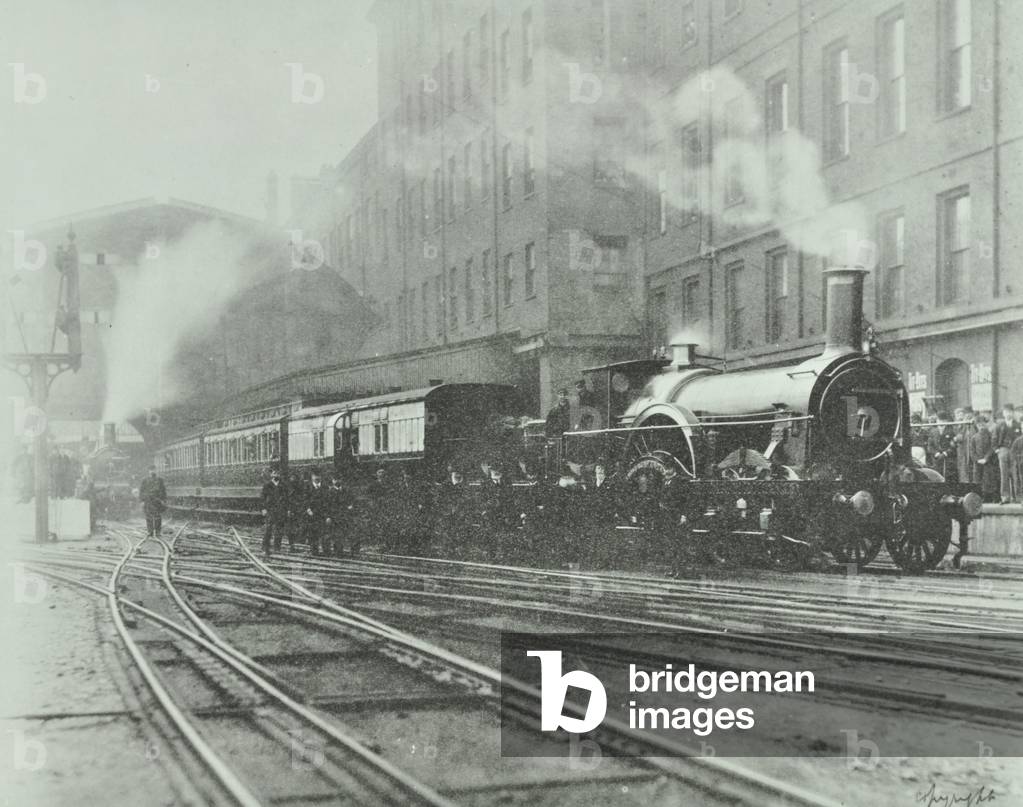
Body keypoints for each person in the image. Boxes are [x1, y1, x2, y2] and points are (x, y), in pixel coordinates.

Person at [993, 404, 1021, 503]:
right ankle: (1005, 497)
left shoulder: (1018, 425)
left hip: (1015, 452)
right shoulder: (999, 425)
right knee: (1003, 474)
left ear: (1013, 413)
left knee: (1016, 474)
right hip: (1003, 450)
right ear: (1003, 413)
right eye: (1006, 412)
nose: (1008, 414)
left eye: (1010, 412)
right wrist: (997, 450)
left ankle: (1018, 497)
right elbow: (994, 438)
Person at [261, 467, 288, 558]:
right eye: (274, 473)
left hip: (281, 510)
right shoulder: (267, 485)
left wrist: (287, 509)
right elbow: (262, 498)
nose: (276, 475)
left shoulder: (283, 485)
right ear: (271, 474)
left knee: (279, 529)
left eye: (278, 473)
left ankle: (277, 547)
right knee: (268, 529)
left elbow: (287, 498)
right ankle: (265, 547)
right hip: (270, 510)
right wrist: (263, 509)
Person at [971, 415, 999, 503]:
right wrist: (977, 459)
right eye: (979, 425)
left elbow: (992, 448)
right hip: (978, 462)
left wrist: (986, 458)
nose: (981, 427)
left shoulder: (990, 435)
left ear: (986, 424)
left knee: (990, 479)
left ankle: (992, 497)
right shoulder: (974, 437)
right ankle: (981, 497)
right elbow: (972, 451)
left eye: (983, 425)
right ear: (976, 426)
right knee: (977, 479)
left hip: (989, 461)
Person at [327, 472, 356, 556]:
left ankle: (346, 551)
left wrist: (351, 506)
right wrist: (328, 516)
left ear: (341, 480)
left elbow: (351, 500)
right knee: (336, 534)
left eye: (338, 479)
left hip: (345, 515)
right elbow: (327, 505)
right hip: (334, 516)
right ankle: (338, 552)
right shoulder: (329, 491)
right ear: (332, 481)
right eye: (335, 479)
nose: (336, 481)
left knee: (344, 533)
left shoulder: (346, 490)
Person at [302, 470, 329, 555]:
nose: (317, 478)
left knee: (324, 532)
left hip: (323, 513)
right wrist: (308, 509)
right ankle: (314, 551)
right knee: (313, 533)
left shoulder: (325, 487)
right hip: (311, 513)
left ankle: (326, 551)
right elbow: (304, 500)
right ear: (311, 477)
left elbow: (328, 501)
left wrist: (327, 514)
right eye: (315, 476)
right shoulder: (307, 487)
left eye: (318, 476)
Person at [927, 412, 957, 481]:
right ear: (937, 420)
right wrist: (937, 454)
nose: (941, 422)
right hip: (936, 459)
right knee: (937, 477)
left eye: (943, 421)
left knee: (948, 478)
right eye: (939, 420)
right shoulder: (933, 431)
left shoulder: (951, 431)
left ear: (946, 421)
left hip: (948, 459)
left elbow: (954, 446)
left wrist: (945, 453)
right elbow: (930, 446)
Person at [138, 466, 167, 538]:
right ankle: (150, 532)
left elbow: (163, 491)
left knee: (158, 517)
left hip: (157, 500)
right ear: (148, 471)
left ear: (156, 471)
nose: (152, 471)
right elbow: (141, 491)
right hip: (148, 500)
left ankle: (158, 532)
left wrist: (163, 500)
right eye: (151, 470)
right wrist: (142, 501)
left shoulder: (160, 480)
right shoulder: (145, 480)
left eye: (153, 470)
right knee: (148, 517)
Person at [954, 408, 975, 484]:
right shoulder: (955, 425)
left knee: (966, 468)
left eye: (961, 414)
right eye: (957, 415)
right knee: (961, 468)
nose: (960, 416)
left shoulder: (967, 424)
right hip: (959, 450)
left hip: (966, 449)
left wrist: (958, 437)